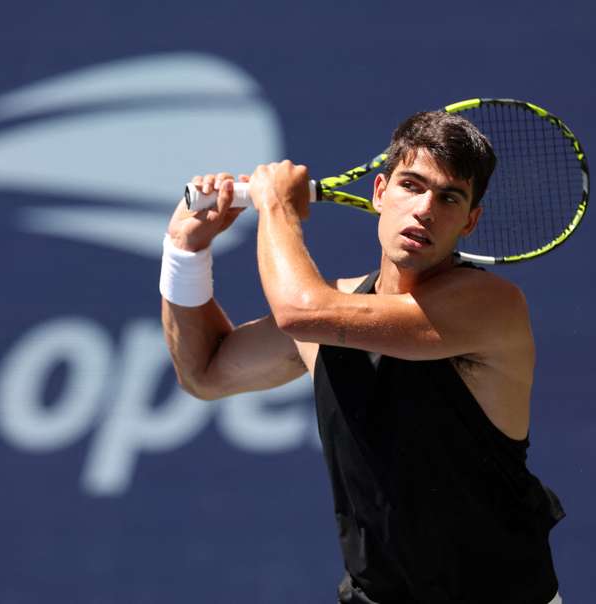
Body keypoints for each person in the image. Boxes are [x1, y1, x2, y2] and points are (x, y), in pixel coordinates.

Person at [159, 111, 564, 604]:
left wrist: (277, 208)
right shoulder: (336, 309)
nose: (425, 209)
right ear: (378, 192)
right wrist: (184, 250)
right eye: (411, 185)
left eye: (449, 197)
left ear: (470, 221)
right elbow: (203, 372)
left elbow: (300, 310)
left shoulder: (492, 308)